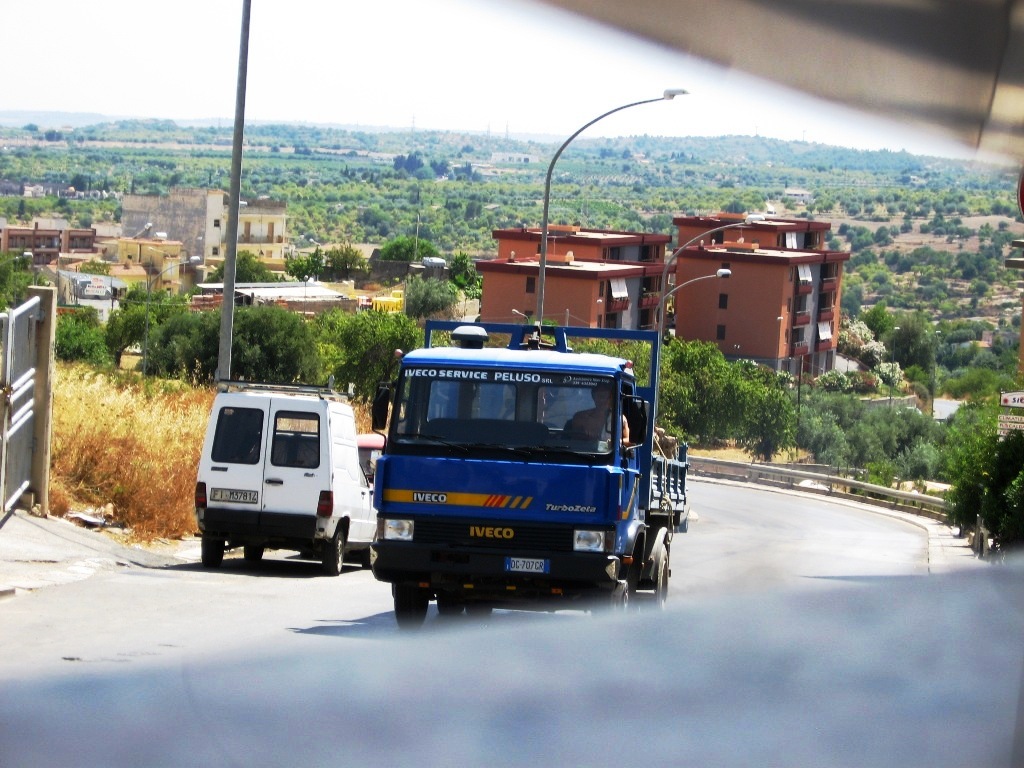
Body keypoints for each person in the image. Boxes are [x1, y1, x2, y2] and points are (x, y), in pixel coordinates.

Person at [565, 382, 630, 445]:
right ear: (593, 397)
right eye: (599, 396)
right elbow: (573, 440)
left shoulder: (619, 419)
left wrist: (616, 442)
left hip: (611, 455)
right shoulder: (581, 417)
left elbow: (629, 440)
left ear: (611, 398)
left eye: (605, 396)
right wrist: (586, 437)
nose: (602, 400)